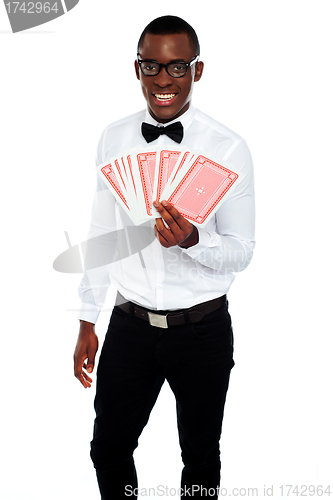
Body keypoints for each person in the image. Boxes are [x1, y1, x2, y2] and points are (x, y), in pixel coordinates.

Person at [73, 15, 255, 500]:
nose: (163, 81)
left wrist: (196, 241)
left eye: (177, 68)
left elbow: (242, 253)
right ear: (137, 69)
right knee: (108, 449)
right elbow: (101, 233)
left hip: (202, 330)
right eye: (151, 66)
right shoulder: (113, 139)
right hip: (129, 326)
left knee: (200, 458)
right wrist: (87, 319)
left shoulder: (229, 149)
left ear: (198, 71)